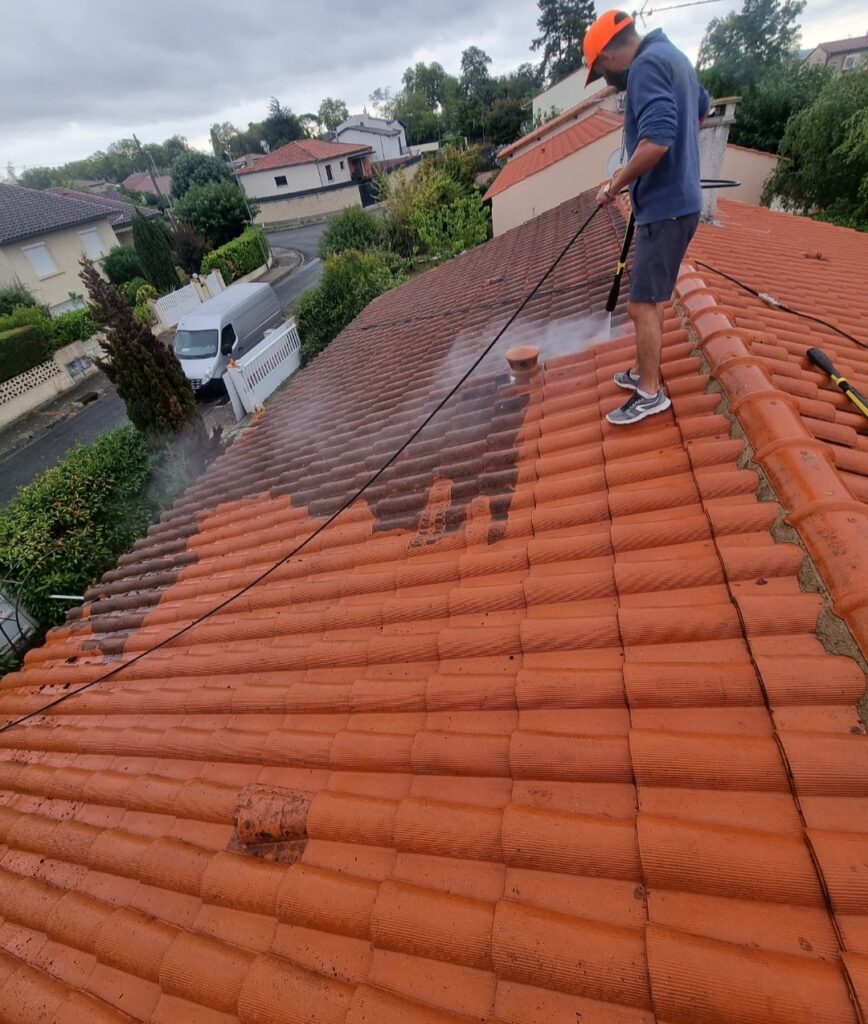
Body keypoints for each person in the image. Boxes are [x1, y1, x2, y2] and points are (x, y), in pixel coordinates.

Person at [583, 10, 710, 425]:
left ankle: (650, 393)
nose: (606, 80)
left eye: (601, 70)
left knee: (644, 303)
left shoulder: (645, 67)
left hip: (666, 209)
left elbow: (656, 140)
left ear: (609, 56)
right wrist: (683, 160)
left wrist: (615, 185)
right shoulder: (672, 55)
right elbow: (702, 108)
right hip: (675, 202)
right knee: (646, 299)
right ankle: (643, 370)